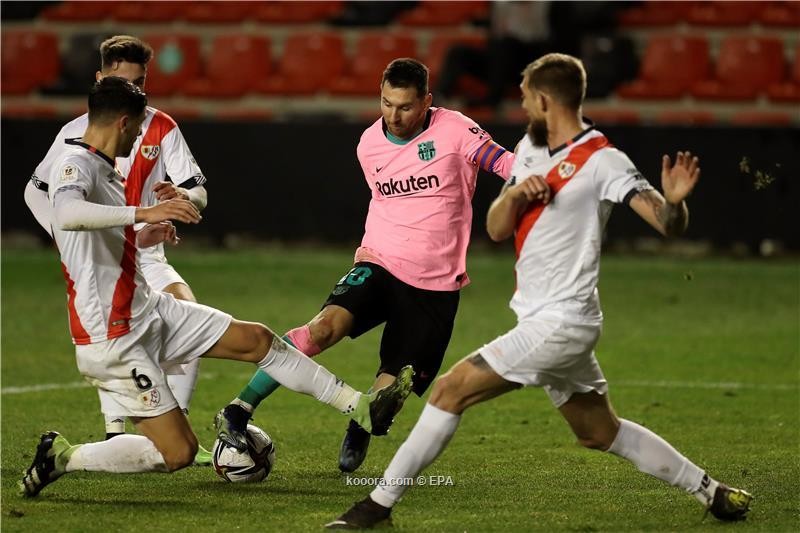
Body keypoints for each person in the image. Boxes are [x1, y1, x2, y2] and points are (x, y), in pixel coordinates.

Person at [325, 53, 753, 529]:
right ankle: (711, 492)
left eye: (527, 97)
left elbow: (665, 222)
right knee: (599, 431)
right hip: (540, 320)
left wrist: (674, 205)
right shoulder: (529, 150)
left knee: (449, 391)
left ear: (545, 99)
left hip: (563, 322)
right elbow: (494, 228)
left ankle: (375, 508)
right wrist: (514, 196)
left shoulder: (602, 159)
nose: (523, 105)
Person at [19, 77, 414, 498]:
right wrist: (146, 209)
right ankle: (62, 456)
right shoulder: (74, 162)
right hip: (112, 336)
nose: (137, 137)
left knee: (257, 338)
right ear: (122, 122)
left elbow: (92, 239)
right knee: (178, 452)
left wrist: (139, 233)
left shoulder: (104, 166)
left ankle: (361, 408)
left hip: (147, 309)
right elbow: (65, 213)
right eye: (136, 130)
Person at [215, 58, 516, 471]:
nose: (394, 115)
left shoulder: (457, 130)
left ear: (427, 101)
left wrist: (539, 181)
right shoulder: (368, 144)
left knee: (392, 390)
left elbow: (505, 164)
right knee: (323, 327)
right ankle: (239, 408)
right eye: (386, 103)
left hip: (436, 283)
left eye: (406, 106)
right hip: (380, 260)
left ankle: (362, 423)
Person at [24, 36, 213, 464]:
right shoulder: (74, 133)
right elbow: (35, 192)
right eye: (123, 81)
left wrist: (184, 203)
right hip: (103, 256)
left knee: (186, 313)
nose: (135, 93)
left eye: (140, 83)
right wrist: (68, 238)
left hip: (148, 254)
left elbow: (196, 188)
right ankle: (116, 434)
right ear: (100, 79)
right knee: (114, 333)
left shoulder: (161, 125)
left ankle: (172, 427)